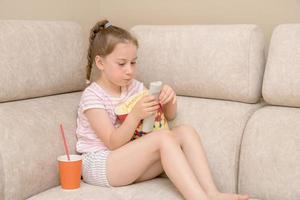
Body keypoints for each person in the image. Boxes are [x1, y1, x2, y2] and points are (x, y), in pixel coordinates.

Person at [76, 19, 249, 200]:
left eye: (133, 63)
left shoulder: (134, 87)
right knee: (163, 138)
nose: (129, 70)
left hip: (129, 161)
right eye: (121, 63)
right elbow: (113, 143)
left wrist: (168, 101)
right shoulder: (92, 96)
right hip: (101, 165)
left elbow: (166, 117)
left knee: (184, 131)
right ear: (100, 63)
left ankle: (212, 193)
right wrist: (135, 115)